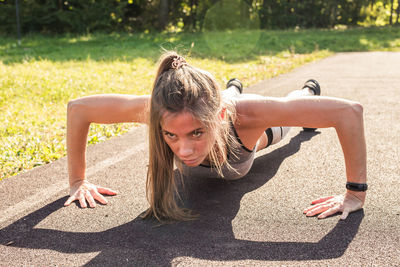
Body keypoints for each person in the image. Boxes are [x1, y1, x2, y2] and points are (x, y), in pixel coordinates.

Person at [64, 51, 367, 223]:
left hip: (248, 140)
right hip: (216, 106)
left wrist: (355, 194)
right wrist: (78, 181)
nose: (183, 150)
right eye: (170, 135)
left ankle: (305, 91)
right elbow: (78, 109)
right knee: (219, 99)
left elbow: (349, 112)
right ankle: (231, 86)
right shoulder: (157, 109)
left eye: (197, 133)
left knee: (284, 134)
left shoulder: (247, 117)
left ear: (218, 118)